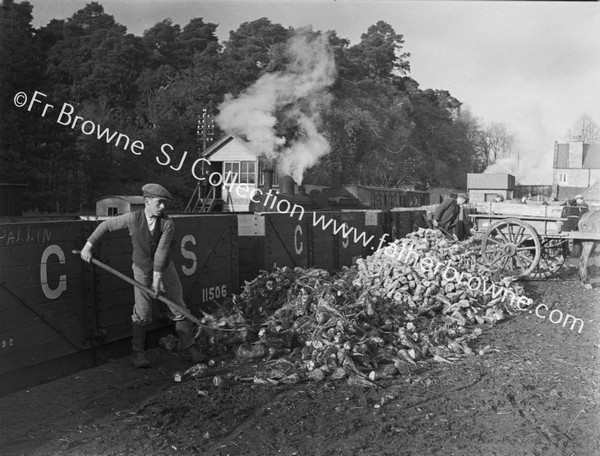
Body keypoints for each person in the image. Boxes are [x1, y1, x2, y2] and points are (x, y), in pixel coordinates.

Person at [80, 184, 205, 368]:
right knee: (143, 312)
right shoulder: (132, 219)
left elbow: (161, 253)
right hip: (141, 269)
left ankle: (189, 348)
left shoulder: (167, 223)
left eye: (165, 203)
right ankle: (137, 353)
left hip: (165, 267)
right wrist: (88, 246)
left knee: (178, 306)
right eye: (160, 202)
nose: (163, 207)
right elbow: (106, 225)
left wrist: (157, 282)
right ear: (147, 201)